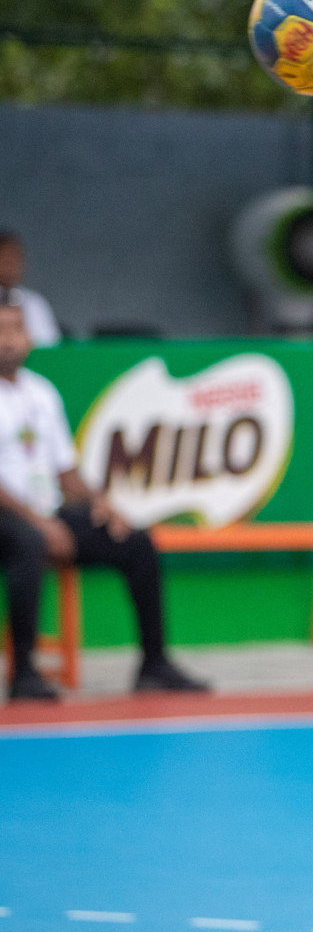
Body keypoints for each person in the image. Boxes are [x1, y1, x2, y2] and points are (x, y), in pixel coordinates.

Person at [0, 297, 207, 701]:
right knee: (28, 543)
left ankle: (154, 664)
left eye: (16, 330)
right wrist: (39, 523)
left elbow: (66, 471)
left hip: (46, 514)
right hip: (11, 519)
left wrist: (101, 502)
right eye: (1, 331)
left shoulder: (41, 393)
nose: (10, 340)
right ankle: (23, 672)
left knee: (135, 541)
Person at [0, 232, 62, 348]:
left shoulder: (36, 302)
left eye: (15, 258)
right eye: (5, 258)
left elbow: (50, 344)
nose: (11, 264)